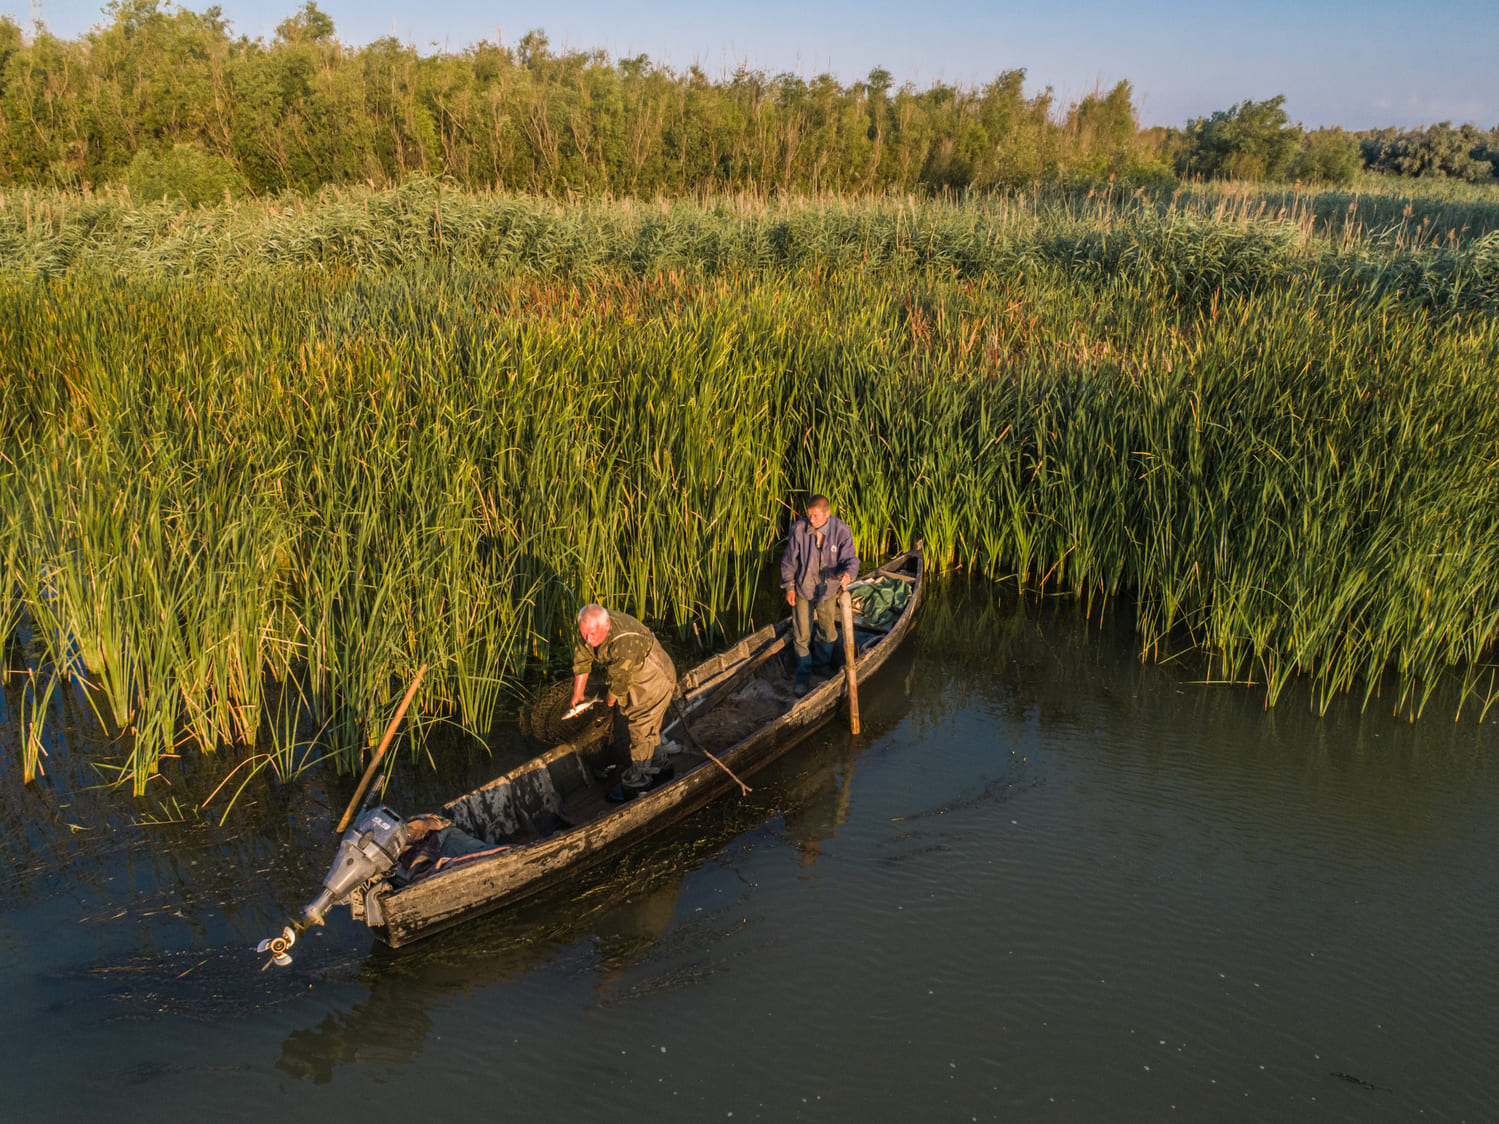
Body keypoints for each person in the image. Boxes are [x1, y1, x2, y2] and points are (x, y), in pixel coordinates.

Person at [570, 604, 677, 801]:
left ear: (607, 626)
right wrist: (578, 694)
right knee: (642, 724)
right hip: (631, 673)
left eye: (593, 635)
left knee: (641, 726)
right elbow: (582, 659)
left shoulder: (622, 641)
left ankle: (638, 782)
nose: (588, 639)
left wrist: (607, 705)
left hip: (653, 674)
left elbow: (618, 686)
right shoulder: (588, 627)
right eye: (584, 634)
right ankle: (662, 767)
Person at [779, 494, 859, 696]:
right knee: (802, 634)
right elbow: (789, 561)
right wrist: (789, 586)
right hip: (803, 588)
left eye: (816, 516)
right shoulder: (799, 529)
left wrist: (848, 574)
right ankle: (803, 677)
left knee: (828, 631)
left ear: (827, 513)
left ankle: (822, 669)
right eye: (810, 516)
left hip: (828, 589)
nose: (812, 520)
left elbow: (850, 557)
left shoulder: (841, 530)